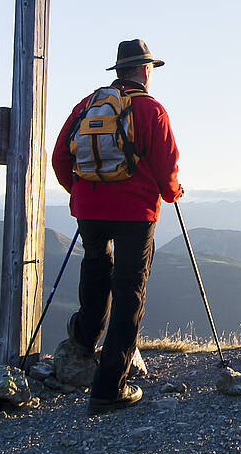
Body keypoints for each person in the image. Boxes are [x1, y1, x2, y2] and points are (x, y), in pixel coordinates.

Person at [49, 39, 182, 414]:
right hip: (135, 213)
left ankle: (85, 334)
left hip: (89, 207)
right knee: (129, 292)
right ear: (144, 70)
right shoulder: (151, 109)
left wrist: (80, 191)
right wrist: (173, 194)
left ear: (118, 70)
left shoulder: (87, 105)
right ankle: (109, 388)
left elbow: (61, 155)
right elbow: (166, 166)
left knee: (94, 265)